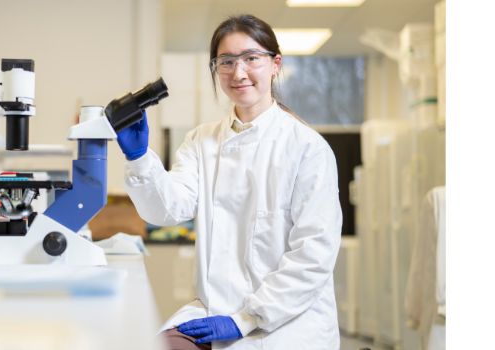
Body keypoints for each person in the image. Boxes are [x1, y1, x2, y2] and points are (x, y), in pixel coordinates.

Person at [117, 14, 342, 350]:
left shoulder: (307, 148)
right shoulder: (201, 140)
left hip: (288, 324)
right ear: (215, 68)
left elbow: (313, 256)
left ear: (275, 64)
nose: (239, 73)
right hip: (214, 309)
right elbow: (167, 210)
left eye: (251, 58)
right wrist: (139, 159)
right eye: (227, 61)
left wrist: (244, 320)